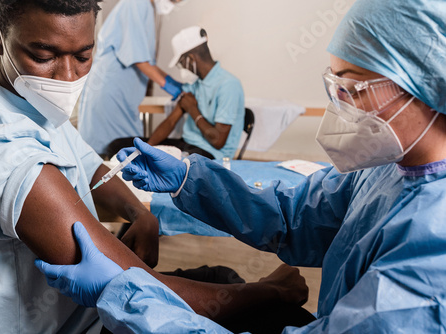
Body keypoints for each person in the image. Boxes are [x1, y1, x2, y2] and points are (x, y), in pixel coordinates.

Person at [37, 0, 446, 332]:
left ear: (427, 83)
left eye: (352, 87)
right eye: (333, 86)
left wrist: (130, 296)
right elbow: (296, 215)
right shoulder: (387, 168)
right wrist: (187, 179)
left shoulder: (431, 259)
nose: (338, 106)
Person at [0, 1, 312, 333]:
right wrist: (270, 292)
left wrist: (140, 213)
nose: (68, 77)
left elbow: (91, 168)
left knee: (222, 278)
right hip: (72, 325)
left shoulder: (32, 107)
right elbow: (140, 288)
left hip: (83, 311)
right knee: (268, 312)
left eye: (84, 56)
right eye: (44, 55)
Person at [106, 26, 245, 160]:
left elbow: (218, 141)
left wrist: (192, 109)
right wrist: (146, 148)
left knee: (163, 165)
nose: (182, 68)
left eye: (181, 63)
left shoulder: (228, 86)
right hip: (185, 145)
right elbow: (171, 121)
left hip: (210, 155)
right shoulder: (195, 84)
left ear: (191, 59)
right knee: (117, 146)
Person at [78, 0, 184, 156]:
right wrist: (169, 86)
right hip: (110, 93)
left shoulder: (146, 8)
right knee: (112, 153)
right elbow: (139, 60)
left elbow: (148, 62)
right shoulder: (136, 3)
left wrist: (174, 83)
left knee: (126, 151)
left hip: (123, 97)